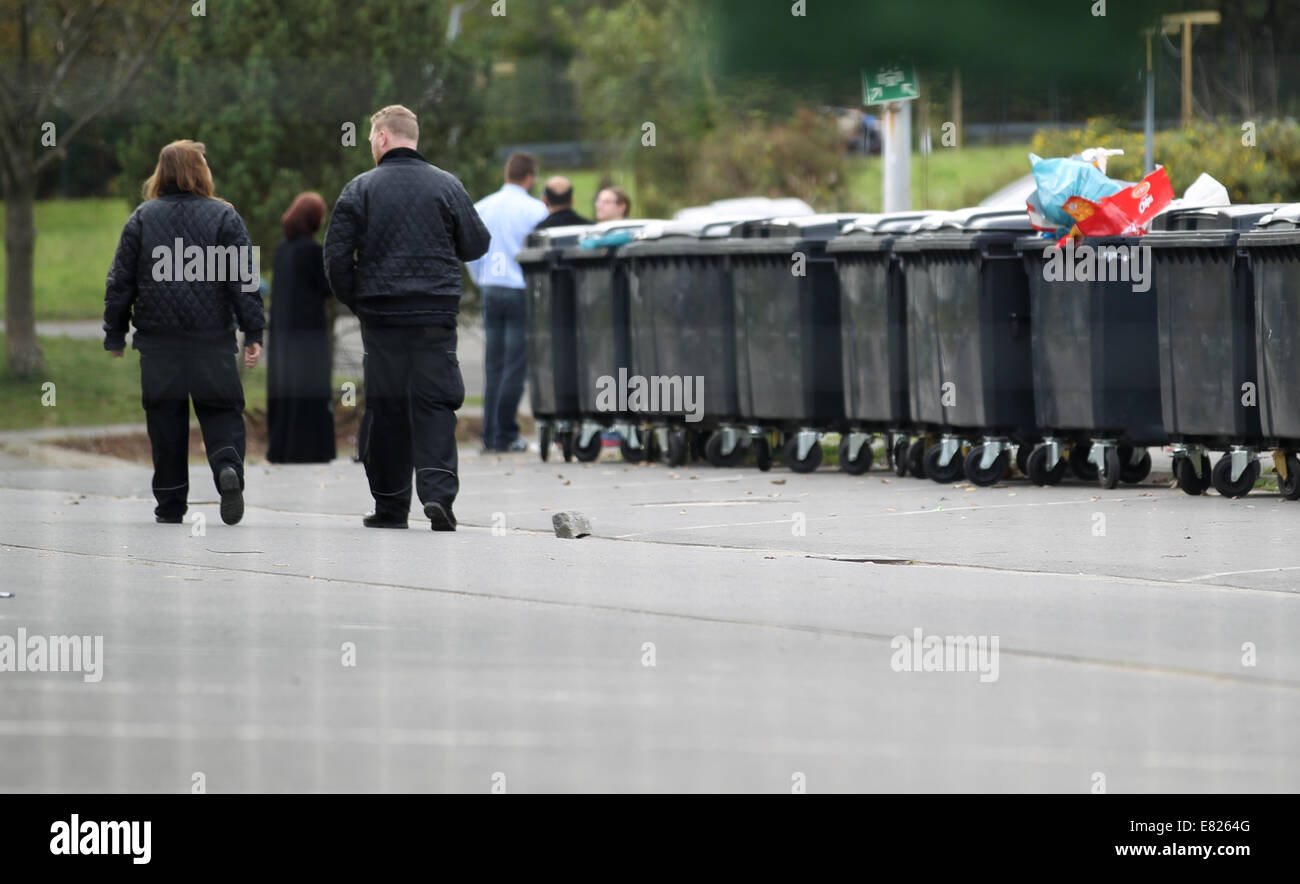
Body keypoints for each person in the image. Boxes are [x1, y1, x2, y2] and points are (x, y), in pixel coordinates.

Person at [324, 104, 490, 531]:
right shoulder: (447, 186)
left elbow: (336, 260)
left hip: (382, 316)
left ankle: (391, 506)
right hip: (435, 314)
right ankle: (437, 498)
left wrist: (358, 302)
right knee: (435, 403)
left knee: (387, 407)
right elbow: (476, 243)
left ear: (382, 137)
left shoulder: (359, 189)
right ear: (412, 137)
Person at [103, 139, 264, 526]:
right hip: (212, 341)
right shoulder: (225, 218)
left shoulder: (142, 219)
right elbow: (245, 280)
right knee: (222, 410)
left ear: (162, 173)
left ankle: (171, 503)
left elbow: (120, 281)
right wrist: (254, 331)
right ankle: (227, 468)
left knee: (166, 419)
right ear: (199, 171)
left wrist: (115, 332)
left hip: (159, 345)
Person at [468, 153, 548, 453]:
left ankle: (490, 433)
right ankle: (505, 432)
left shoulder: (483, 206)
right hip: (519, 290)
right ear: (529, 177)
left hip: (491, 287)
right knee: (515, 366)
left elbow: (471, 252)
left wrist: (481, 278)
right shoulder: (535, 209)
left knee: (494, 365)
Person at [267, 192, 336, 464]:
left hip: (283, 335)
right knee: (309, 391)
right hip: (308, 333)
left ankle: (282, 447)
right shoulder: (311, 251)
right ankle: (310, 449)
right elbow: (328, 287)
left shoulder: (282, 249)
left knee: (286, 391)